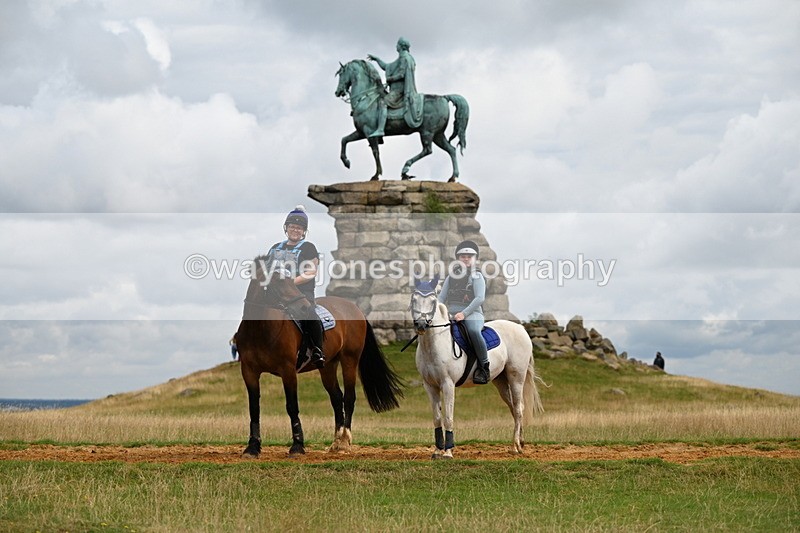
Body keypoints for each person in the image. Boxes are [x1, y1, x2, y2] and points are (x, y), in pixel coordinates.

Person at [265, 205, 325, 369]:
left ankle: (317, 350)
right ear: (286, 228)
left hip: (301, 293)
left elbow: (311, 272)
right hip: (276, 293)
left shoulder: (308, 248)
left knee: (309, 313)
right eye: (292, 226)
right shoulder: (275, 248)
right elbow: (266, 270)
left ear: (304, 231)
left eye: (299, 228)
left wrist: (291, 283)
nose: (295, 230)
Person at [438, 240, 490, 384]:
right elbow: (441, 297)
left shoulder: (477, 277)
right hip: (451, 314)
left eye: (469, 256)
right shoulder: (451, 277)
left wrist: (464, 314)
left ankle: (484, 366)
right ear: (458, 258)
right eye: (463, 256)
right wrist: (435, 311)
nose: (466, 258)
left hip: (473, 313)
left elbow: (480, 298)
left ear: (475, 258)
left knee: (473, 331)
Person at [367, 36, 423, 138]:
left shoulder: (404, 58)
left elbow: (401, 74)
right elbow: (387, 66)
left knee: (382, 102)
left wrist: (390, 79)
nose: (395, 46)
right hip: (398, 90)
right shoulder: (406, 57)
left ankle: (380, 129)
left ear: (401, 46)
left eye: (397, 44)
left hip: (399, 91)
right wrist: (377, 59)